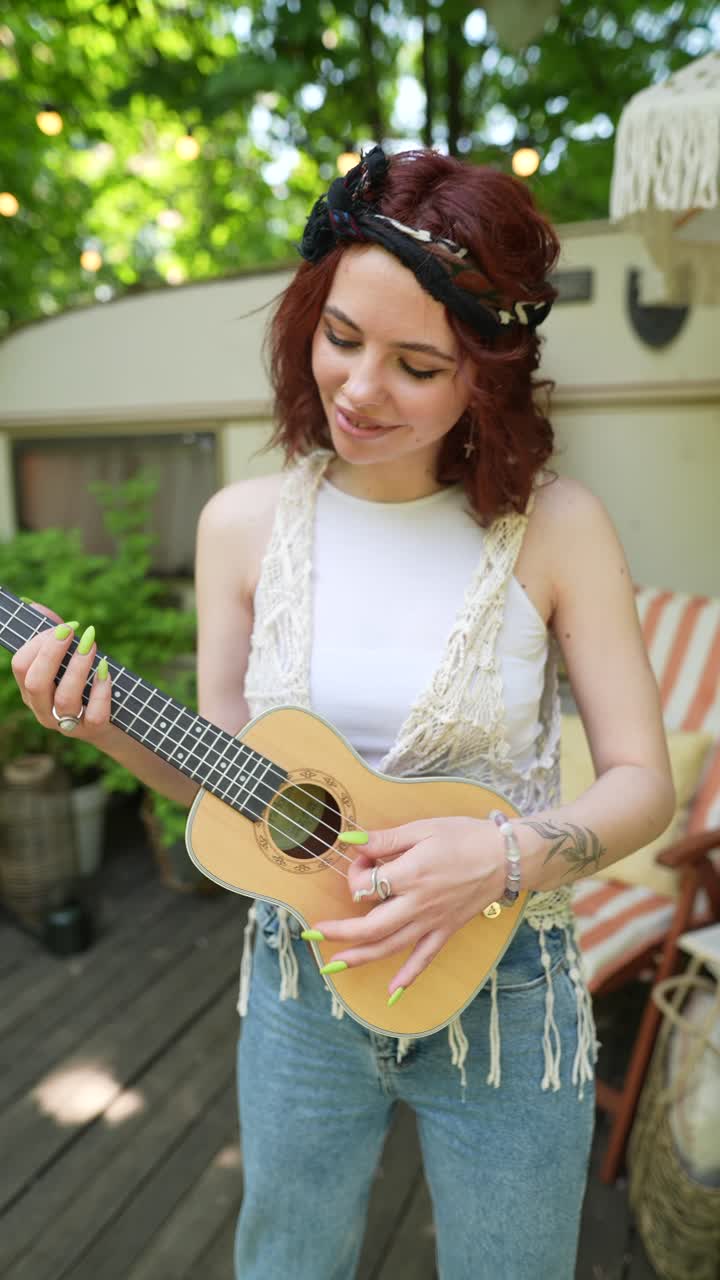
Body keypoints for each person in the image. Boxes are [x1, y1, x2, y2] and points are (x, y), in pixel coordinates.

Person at [11, 145, 675, 1280]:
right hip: (299, 984)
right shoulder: (240, 525)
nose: (361, 390)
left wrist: (500, 856)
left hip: (505, 994)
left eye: (417, 364)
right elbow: (224, 770)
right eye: (340, 337)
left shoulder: (560, 527)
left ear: (486, 376)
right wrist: (99, 721)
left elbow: (644, 784)